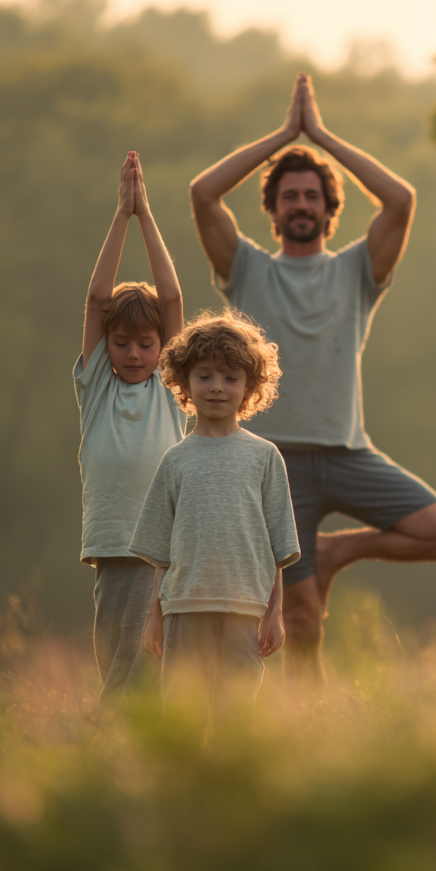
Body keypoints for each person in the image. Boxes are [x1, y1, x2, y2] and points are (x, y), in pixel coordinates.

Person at [189, 72, 436, 685]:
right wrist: (284, 136)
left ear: (330, 209)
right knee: (304, 617)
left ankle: (342, 549)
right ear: (273, 209)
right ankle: (305, 720)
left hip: (348, 453)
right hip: (274, 465)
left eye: (313, 195)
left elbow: (401, 200)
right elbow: (204, 194)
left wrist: (323, 137)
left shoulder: (358, 272)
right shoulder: (245, 270)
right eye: (290, 196)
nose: (302, 205)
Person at [132, 309, 299, 723]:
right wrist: (154, 616)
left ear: (249, 387)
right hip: (184, 610)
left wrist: (276, 614)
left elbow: (280, 546)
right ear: (185, 383)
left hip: (246, 610)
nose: (217, 387)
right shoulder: (175, 461)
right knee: (183, 715)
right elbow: (160, 553)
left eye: (230, 378)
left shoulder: (264, 457)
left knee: (236, 717)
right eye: (204, 376)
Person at [74, 151, 186, 705]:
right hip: (113, 542)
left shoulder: (172, 387)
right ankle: (113, 742)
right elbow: (97, 299)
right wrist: (121, 216)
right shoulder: (97, 388)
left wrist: (147, 215)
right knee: (116, 656)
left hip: (160, 544)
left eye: (147, 343)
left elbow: (171, 299)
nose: (136, 353)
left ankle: (119, 741)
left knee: (146, 661)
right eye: (123, 343)